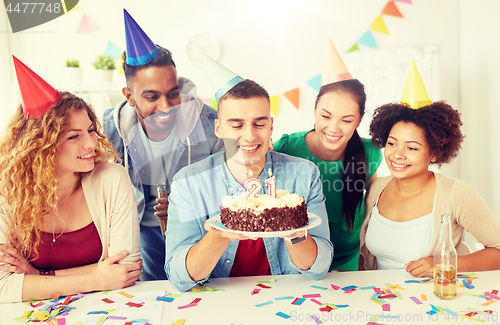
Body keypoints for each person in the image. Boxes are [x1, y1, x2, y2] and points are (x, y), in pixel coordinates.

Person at [165, 55, 333, 292]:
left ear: (271, 126)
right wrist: (219, 236)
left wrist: (293, 231)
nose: (250, 136)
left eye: (259, 124)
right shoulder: (188, 183)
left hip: (286, 298)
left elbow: (319, 267)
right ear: (219, 128)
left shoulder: (304, 174)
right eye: (236, 125)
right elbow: (179, 277)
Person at [0, 57, 141, 303]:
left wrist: (37, 276)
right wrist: (96, 278)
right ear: (40, 146)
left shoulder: (111, 179)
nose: (91, 142)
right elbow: (3, 287)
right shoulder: (8, 194)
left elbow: (125, 270)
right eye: (74, 136)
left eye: (90, 130)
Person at [103, 10, 223, 280]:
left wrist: (186, 206)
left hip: (199, 232)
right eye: (151, 97)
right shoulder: (108, 130)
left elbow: (229, 188)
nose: (166, 107)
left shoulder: (210, 124)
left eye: (172, 94)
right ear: (129, 97)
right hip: (140, 236)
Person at [359, 62, 500, 277]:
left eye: (412, 147)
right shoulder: (376, 189)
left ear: (434, 153)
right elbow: (367, 259)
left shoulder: (456, 194)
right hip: (382, 302)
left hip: (436, 303)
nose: (397, 154)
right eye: (392, 143)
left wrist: (443, 263)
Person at [274, 39, 382, 271]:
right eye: (326, 116)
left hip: (350, 259)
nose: (334, 128)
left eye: (346, 120)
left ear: (359, 120)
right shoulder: (287, 147)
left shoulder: (370, 153)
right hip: (300, 258)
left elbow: (376, 211)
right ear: (314, 111)